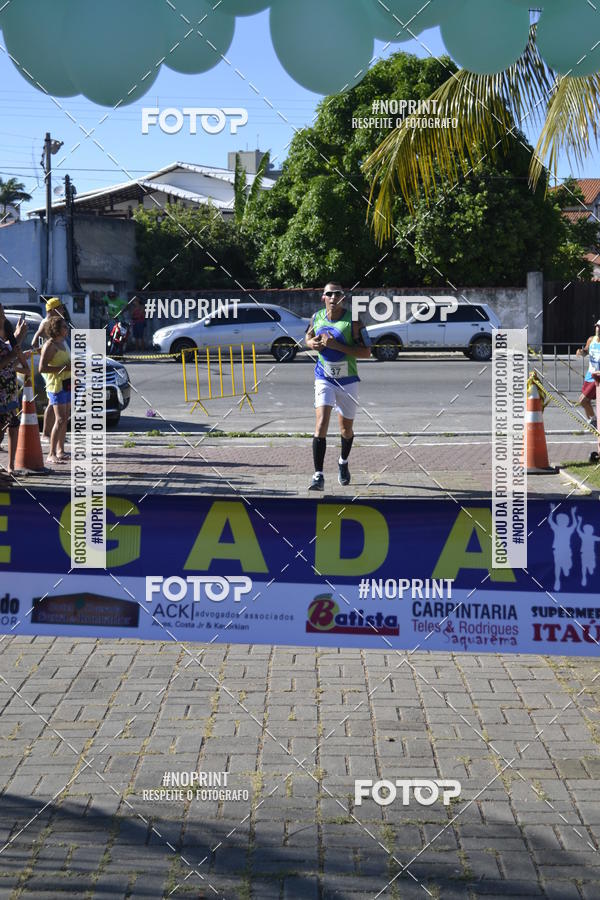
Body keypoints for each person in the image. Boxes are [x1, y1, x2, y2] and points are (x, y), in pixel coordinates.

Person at [304, 282, 371, 491]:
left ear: (343, 298)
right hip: (323, 377)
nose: (333, 298)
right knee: (321, 422)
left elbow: (366, 352)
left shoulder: (354, 321)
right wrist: (311, 344)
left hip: (348, 380)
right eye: (329, 294)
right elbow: (307, 336)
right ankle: (318, 476)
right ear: (323, 297)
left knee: (346, 429)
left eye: (338, 294)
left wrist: (337, 345)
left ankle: (343, 462)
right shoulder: (317, 317)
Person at [32, 298, 70, 442]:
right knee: (52, 402)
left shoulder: (56, 322)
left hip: (60, 368)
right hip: (54, 370)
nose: (62, 310)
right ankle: (47, 434)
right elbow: (34, 342)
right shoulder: (46, 323)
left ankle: (55, 434)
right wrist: (45, 355)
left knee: (55, 405)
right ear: (53, 309)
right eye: (60, 308)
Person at [0, 304, 31, 477]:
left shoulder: (9, 342)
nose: (3, 316)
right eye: (0, 313)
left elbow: (23, 369)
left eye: (3, 313)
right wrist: (12, 356)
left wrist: (17, 353)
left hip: (9, 392)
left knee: (13, 425)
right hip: (1, 393)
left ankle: (10, 466)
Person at [39, 317, 71, 465]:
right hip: (56, 386)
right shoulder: (50, 345)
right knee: (59, 419)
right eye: (64, 327)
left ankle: (60, 450)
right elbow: (42, 368)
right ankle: (51, 453)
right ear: (56, 329)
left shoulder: (63, 343)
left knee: (65, 418)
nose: (67, 329)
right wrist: (63, 368)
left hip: (67, 384)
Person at [575, 319, 600, 427]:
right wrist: (581, 352)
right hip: (590, 374)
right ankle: (594, 421)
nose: (598, 329)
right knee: (586, 401)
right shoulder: (591, 340)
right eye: (597, 326)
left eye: (599, 327)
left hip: (597, 376)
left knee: (582, 400)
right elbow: (586, 351)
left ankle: (594, 421)